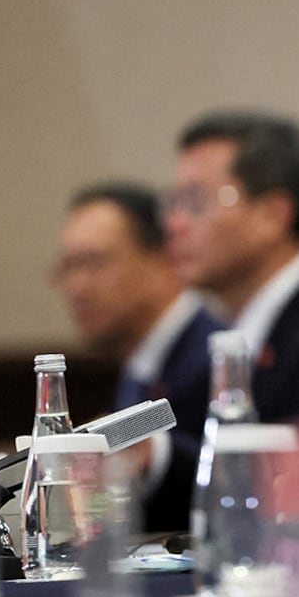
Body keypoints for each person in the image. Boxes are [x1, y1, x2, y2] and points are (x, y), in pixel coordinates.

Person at [51, 182, 220, 533]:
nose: (77, 286)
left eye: (94, 263)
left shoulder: (214, 354)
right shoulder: (141, 363)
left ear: (166, 258)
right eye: (68, 267)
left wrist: (150, 452)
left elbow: (246, 483)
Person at [165, 111, 299, 423]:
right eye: (174, 203)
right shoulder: (225, 338)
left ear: (273, 215)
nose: (174, 224)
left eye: (196, 201)